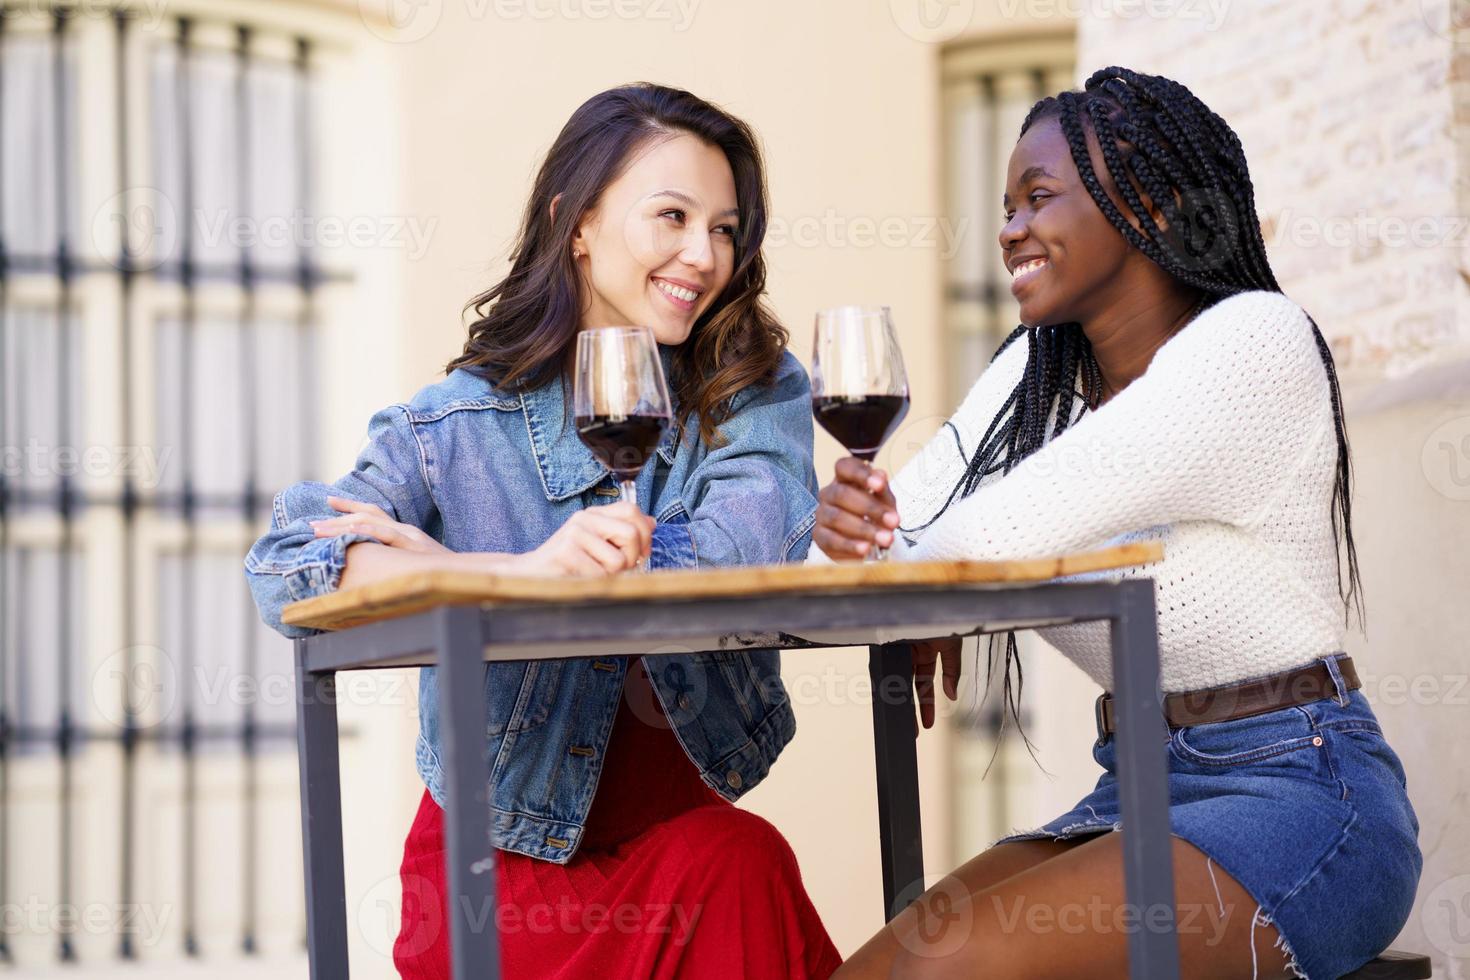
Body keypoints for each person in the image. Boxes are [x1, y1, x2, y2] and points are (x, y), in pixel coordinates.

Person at [814, 67, 1421, 980]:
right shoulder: (1039, 379)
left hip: (1301, 789)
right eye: (1007, 203)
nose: (1011, 226)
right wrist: (875, 548)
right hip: (1135, 785)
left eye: (1040, 196)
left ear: (1152, 205)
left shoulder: (1254, 340)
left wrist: (914, 574)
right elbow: (886, 555)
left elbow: (978, 541)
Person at [245, 83, 841, 979]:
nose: (703, 255)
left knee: (736, 858)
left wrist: (452, 566)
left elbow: (737, 553)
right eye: (671, 217)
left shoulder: (751, 390)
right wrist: (510, 569)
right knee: (738, 861)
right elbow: (287, 566)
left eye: (724, 228)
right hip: (495, 883)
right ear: (578, 224)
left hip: (682, 859)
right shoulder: (456, 425)